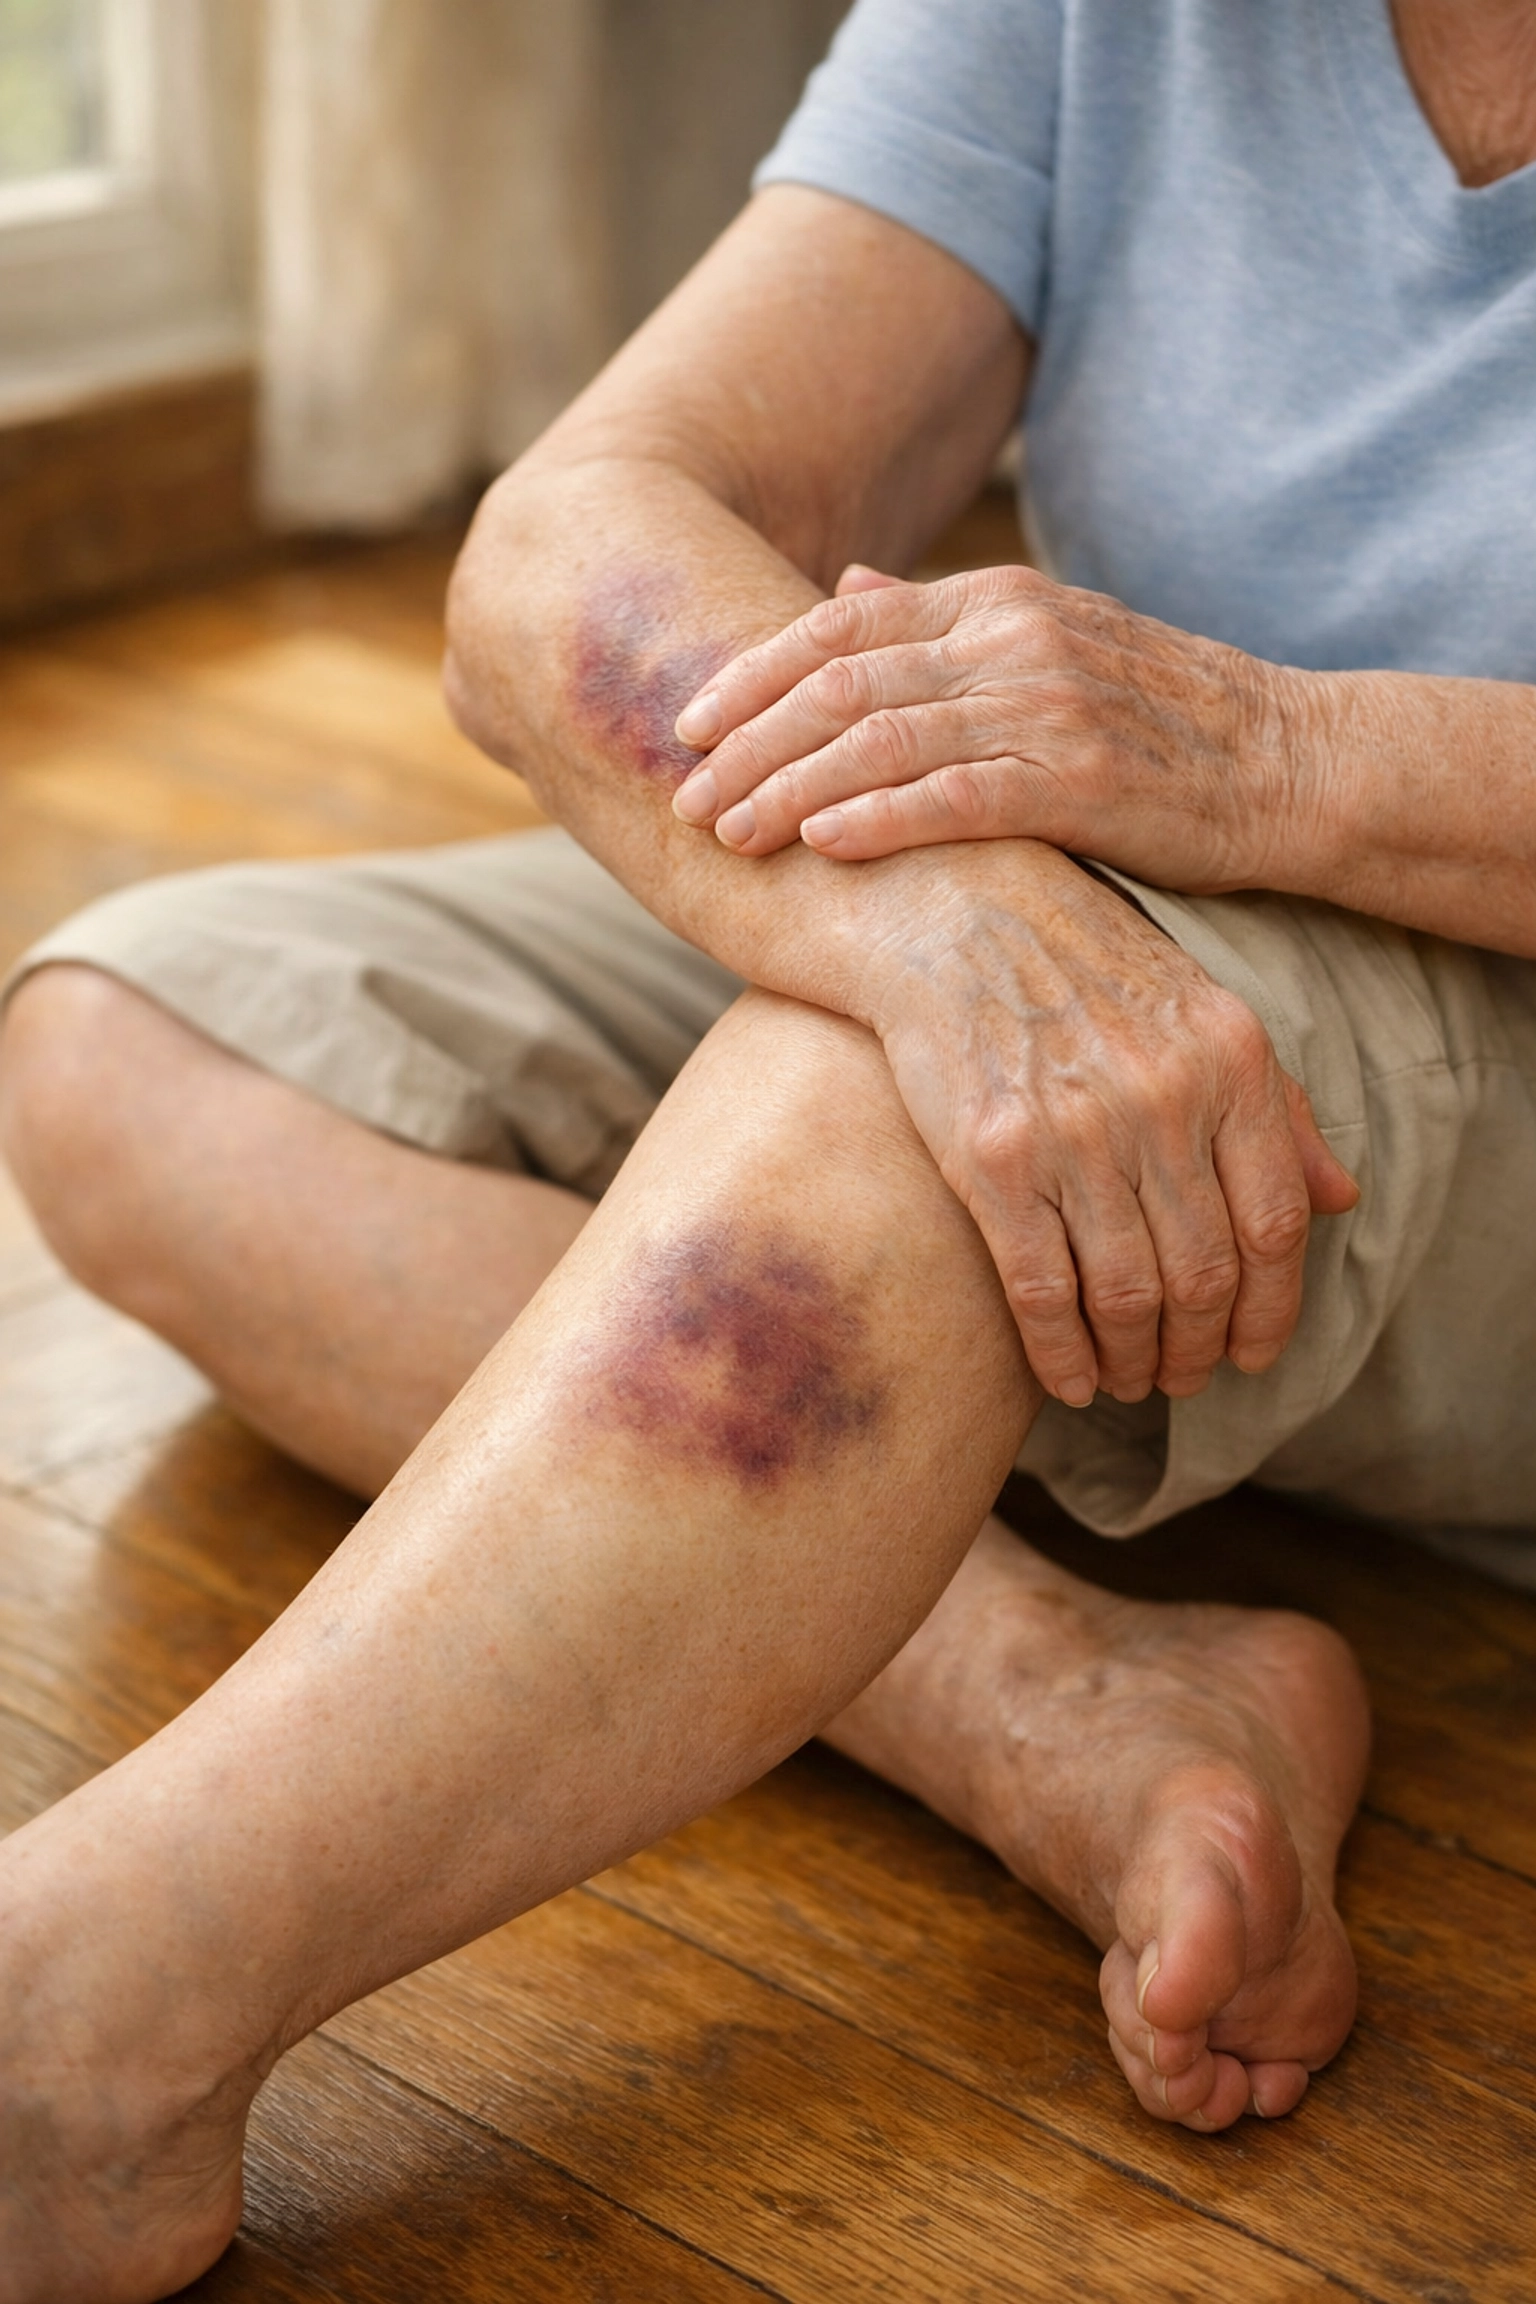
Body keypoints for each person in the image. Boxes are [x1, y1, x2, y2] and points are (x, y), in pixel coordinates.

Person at [2, 0, 1534, 2294]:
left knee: (869, 1117)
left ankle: (72, 2047)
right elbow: (572, 550)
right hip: (1147, 905)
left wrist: (1261, 761)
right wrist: (954, 936)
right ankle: (1066, 1704)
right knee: (129, 1041)